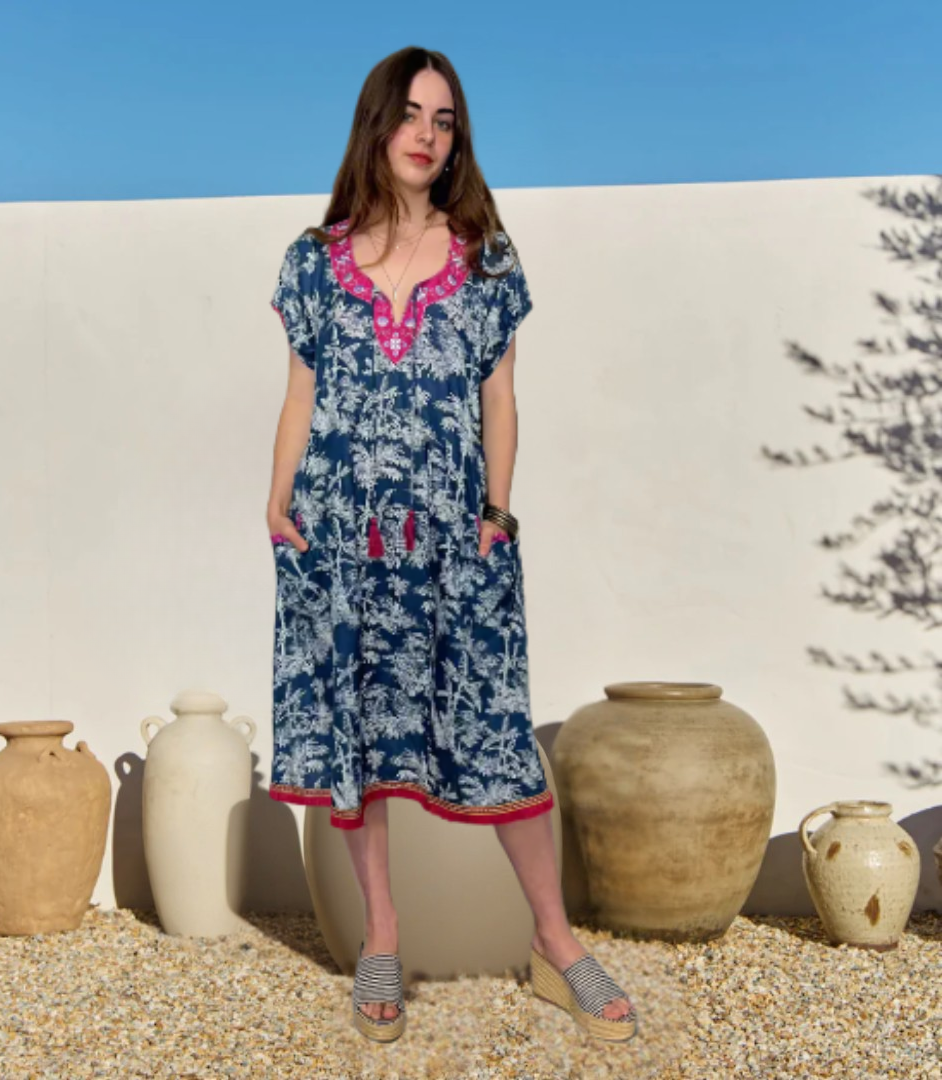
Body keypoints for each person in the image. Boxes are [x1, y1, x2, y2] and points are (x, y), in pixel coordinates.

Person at [265, 46, 636, 1045]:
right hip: (343, 534)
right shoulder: (313, 262)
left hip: (452, 538)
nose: (428, 135)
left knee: (495, 731)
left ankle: (555, 940)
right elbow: (301, 393)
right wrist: (278, 498)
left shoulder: (486, 259)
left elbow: (500, 397)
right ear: (376, 122)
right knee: (359, 730)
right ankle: (381, 936)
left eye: (445, 120)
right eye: (412, 114)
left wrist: (496, 514)